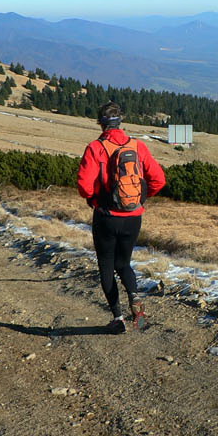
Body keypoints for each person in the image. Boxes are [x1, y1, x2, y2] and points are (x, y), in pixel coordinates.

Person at [77, 101, 166, 334]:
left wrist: (94, 200)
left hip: (106, 216)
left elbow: (84, 186)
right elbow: (159, 180)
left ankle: (118, 318)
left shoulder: (95, 148)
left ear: (101, 123)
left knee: (106, 266)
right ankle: (134, 295)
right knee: (123, 263)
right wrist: (140, 199)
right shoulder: (138, 146)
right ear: (121, 121)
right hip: (133, 217)